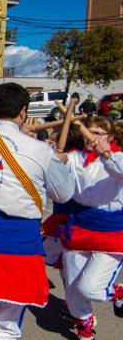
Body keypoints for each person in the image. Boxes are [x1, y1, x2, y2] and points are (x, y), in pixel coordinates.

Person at [0, 83, 75, 340]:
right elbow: (64, 194)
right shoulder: (41, 150)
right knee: (7, 327)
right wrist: (58, 162)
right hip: (21, 248)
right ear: (23, 111)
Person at [59, 116, 123, 339]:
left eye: (98, 133)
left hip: (111, 232)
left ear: (110, 138)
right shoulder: (78, 157)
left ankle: (119, 292)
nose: (91, 137)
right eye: (89, 131)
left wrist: (107, 154)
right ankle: (85, 330)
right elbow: (60, 162)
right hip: (79, 228)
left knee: (91, 288)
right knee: (73, 290)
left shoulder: (118, 158)